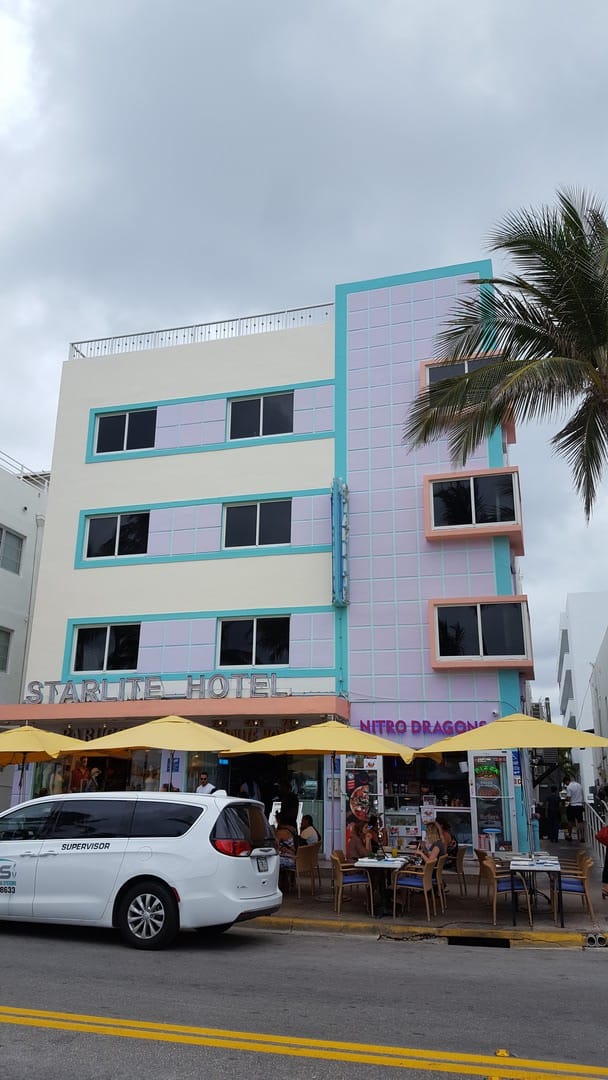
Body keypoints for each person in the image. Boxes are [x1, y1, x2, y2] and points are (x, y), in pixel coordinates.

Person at [275, 813, 298, 889]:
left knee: (272, 862)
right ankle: (285, 882)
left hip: (289, 860)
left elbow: (275, 846)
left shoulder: (281, 832)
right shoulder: (292, 829)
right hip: (294, 857)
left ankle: (274, 885)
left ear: (279, 821)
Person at [564, 774, 585, 843]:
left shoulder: (569, 787)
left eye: (565, 783)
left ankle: (570, 836)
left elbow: (569, 798)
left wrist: (565, 799)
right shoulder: (579, 785)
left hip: (572, 805)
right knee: (580, 821)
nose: (566, 785)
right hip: (580, 805)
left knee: (570, 821)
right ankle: (582, 837)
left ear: (566, 781)